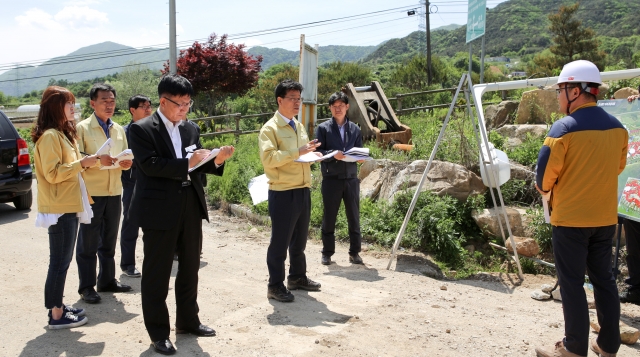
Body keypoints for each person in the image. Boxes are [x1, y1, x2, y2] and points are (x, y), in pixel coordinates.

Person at [128, 74, 234, 355]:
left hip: (190, 203)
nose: (185, 109)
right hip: (159, 208)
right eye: (180, 104)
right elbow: (150, 165)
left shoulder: (190, 129)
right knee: (157, 273)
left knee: (190, 268)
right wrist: (187, 162)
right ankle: (159, 332)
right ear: (163, 101)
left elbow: (196, 166)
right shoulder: (141, 129)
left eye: (189, 103)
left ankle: (188, 321)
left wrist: (216, 161)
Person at [534, 60, 627, 357]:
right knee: (604, 281)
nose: (559, 97)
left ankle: (574, 348)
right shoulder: (619, 128)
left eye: (561, 90)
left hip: (571, 221)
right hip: (604, 219)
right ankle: (608, 345)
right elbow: (619, 166)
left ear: (575, 91)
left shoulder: (562, 129)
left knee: (572, 284)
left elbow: (543, 179)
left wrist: (549, 190)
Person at [32, 86, 99, 329]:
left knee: (61, 261)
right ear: (54, 107)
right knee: (59, 263)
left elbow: (68, 168)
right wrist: (82, 163)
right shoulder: (51, 136)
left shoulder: (61, 134)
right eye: (68, 103)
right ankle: (56, 315)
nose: (73, 107)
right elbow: (52, 174)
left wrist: (86, 163)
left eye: (73, 103)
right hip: (60, 208)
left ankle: (58, 306)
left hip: (67, 204)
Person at [258, 79, 322, 303]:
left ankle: (297, 277)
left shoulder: (298, 125)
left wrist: (312, 155)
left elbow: (300, 155)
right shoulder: (270, 129)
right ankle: (275, 285)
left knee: (300, 240)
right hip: (283, 191)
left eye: (299, 99)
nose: (297, 103)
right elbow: (269, 159)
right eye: (292, 99)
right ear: (280, 100)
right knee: (280, 242)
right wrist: (298, 151)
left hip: (303, 188)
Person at [76, 83, 133, 304]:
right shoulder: (81, 128)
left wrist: (126, 163)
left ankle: (107, 280)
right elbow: (78, 158)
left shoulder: (118, 129)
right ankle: (86, 286)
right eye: (104, 101)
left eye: (112, 101)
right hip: (92, 192)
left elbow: (124, 154)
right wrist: (100, 161)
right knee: (88, 242)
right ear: (92, 103)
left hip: (114, 190)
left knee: (109, 239)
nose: (109, 105)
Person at [314, 91, 364, 265]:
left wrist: (361, 157)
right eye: (334, 106)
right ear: (330, 108)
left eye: (341, 106)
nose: (338, 109)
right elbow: (317, 152)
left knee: (354, 216)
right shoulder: (323, 128)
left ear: (347, 107)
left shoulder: (355, 128)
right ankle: (327, 253)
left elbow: (360, 150)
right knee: (329, 216)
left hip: (351, 178)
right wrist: (333, 154)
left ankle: (355, 252)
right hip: (331, 178)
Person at [119, 95, 153, 278]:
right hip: (133, 182)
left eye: (150, 106)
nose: (148, 109)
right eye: (144, 106)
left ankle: (154, 260)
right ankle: (128, 264)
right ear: (133, 110)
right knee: (131, 223)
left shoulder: (155, 130)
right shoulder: (125, 132)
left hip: (153, 181)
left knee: (154, 223)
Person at [620, 92, 640, 306]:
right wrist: (633, 108)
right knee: (634, 243)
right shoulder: (637, 110)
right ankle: (636, 288)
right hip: (635, 189)